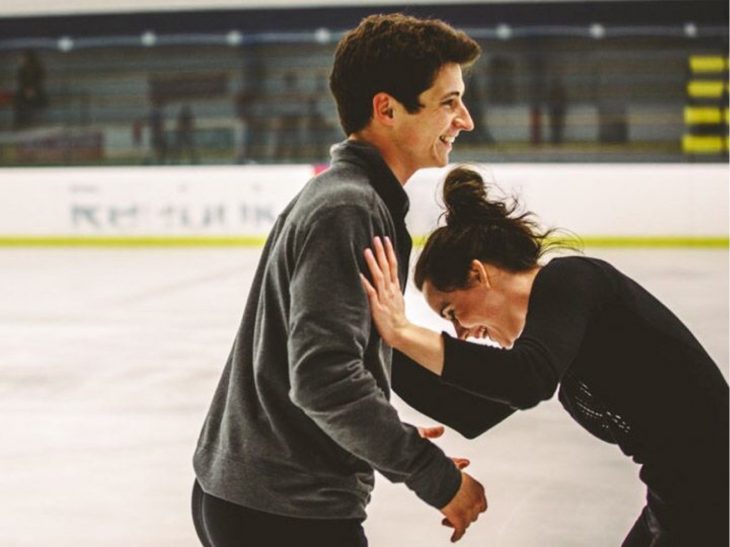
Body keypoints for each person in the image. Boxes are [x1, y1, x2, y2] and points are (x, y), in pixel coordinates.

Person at [192, 14, 487, 546]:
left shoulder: (350, 199)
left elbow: (315, 368)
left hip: (265, 497)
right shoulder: (348, 209)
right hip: (284, 514)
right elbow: (324, 380)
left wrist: (371, 434)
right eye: (448, 102)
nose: (464, 119)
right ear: (387, 109)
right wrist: (435, 477)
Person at [360, 165, 729, 547]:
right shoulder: (554, 341)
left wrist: (403, 332)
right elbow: (475, 409)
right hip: (678, 489)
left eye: (453, 312)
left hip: (712, 486)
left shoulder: (571, 281)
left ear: (477, 274)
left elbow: (524, 380)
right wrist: (381, 345)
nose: (461, 332)